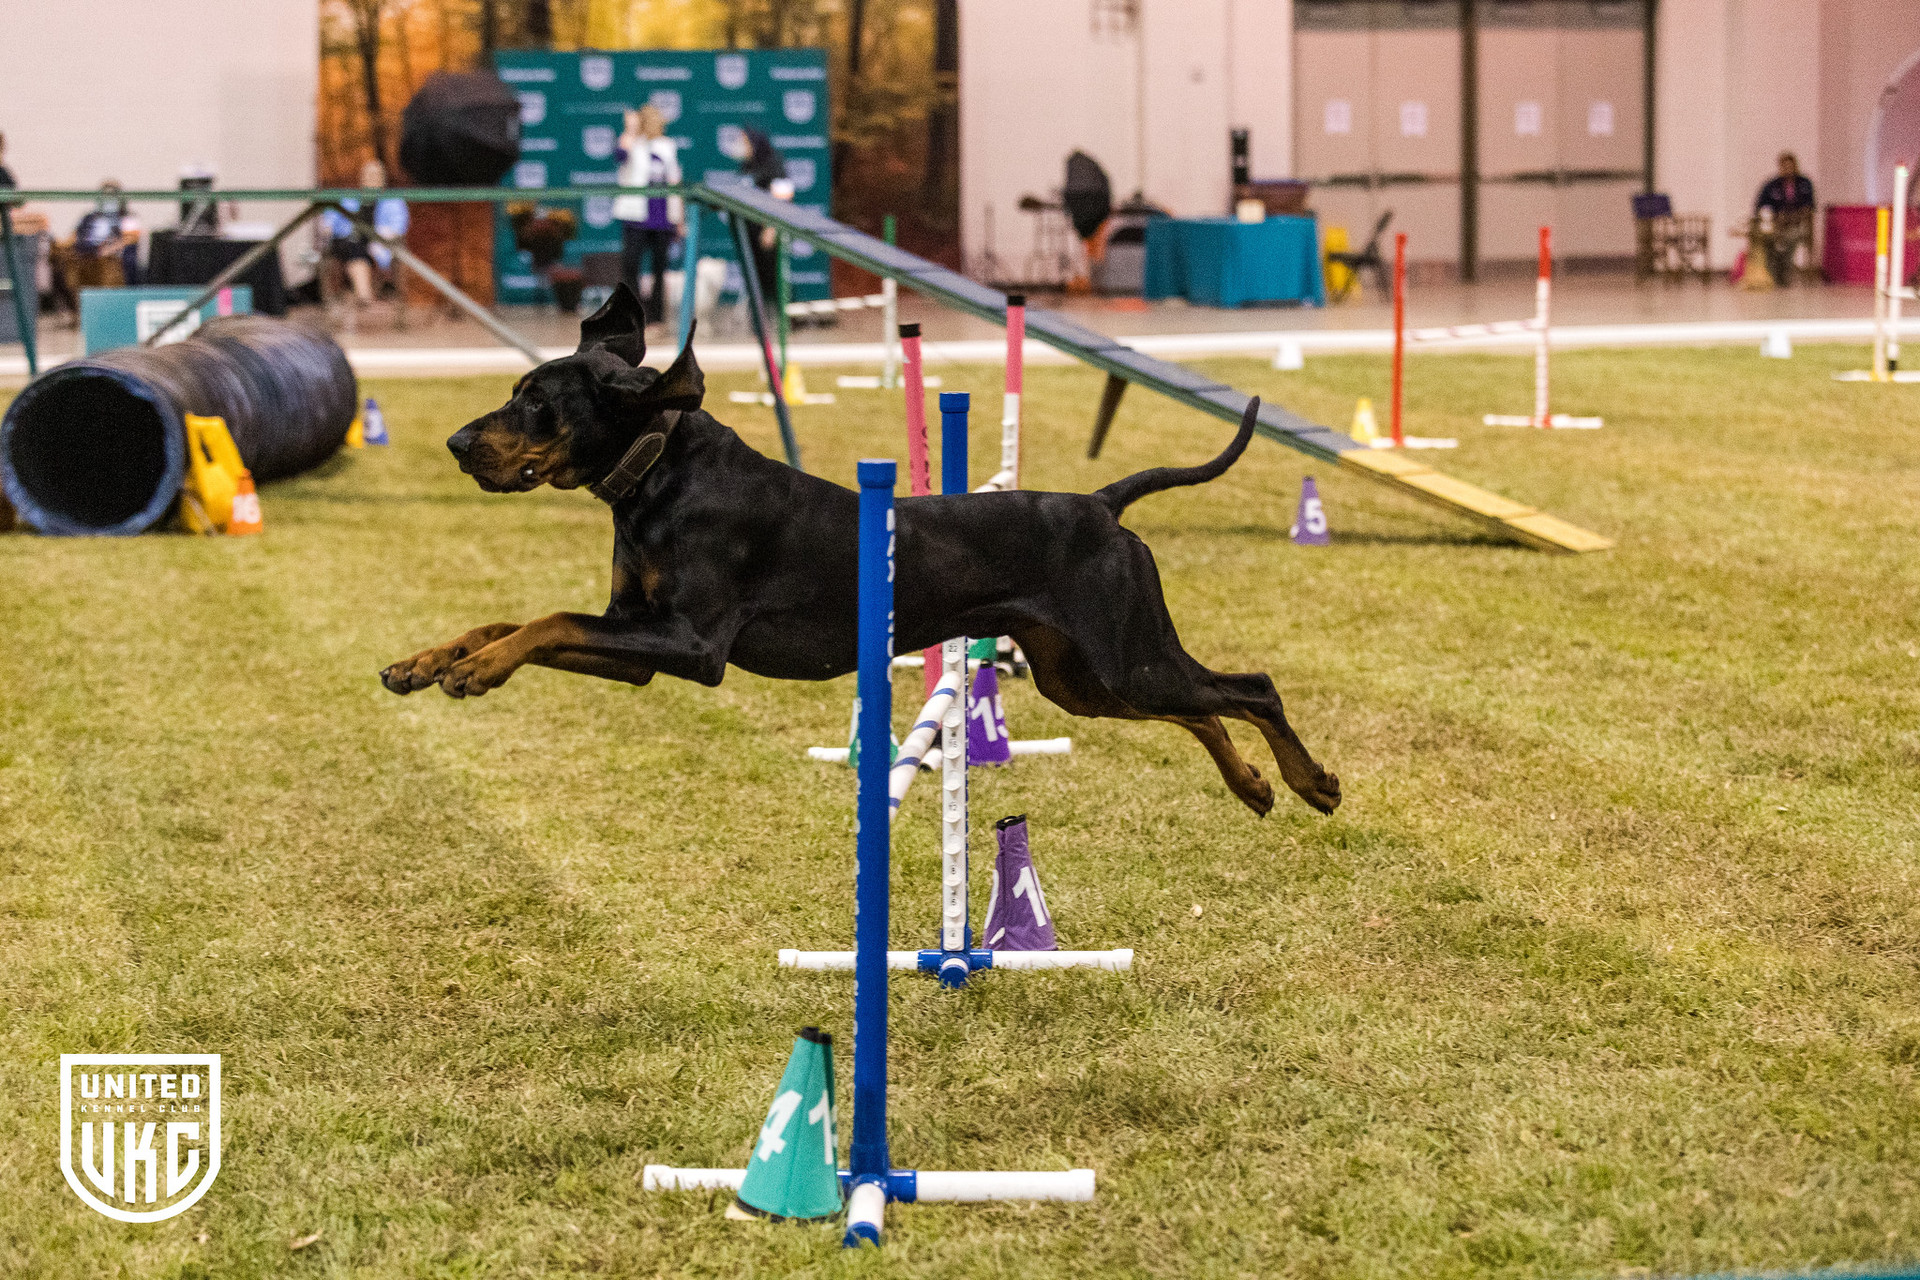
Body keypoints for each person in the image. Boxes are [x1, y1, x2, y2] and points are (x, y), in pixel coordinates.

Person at [613, 104, 681, 324]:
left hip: (662, 217)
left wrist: (679, 218)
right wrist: (631, 131)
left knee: (659, 270)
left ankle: (656, 317)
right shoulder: (632, 143)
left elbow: (674, 182)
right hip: (636, 216)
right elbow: (619, 155)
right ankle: (636, 312)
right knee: (631, 265)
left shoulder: (668, 146)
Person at [321, 158, 409, 311]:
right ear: (361, 178)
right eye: (368, 175)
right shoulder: (349, 199)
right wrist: (327, 226)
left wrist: (383, 236)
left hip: (378, 244)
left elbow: (399, 227)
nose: (371, 179)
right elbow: (329, 221)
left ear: (383, 178)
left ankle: (363, 295)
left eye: (376, 175)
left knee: (360, 247)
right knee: (354, 245)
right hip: (346, 243)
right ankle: (364, 295)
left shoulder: (393, 201)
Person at [731, 127, 787, 305]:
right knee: (755, 280)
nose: (739, 145)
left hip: (768, 231)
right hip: (749, 233)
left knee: (774, 277)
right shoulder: (747, 166)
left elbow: (783, 197)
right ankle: (760, 324)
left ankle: (787, 321)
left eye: (744, 141)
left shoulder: (773, 163)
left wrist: (771, 228)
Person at [1754, 151, 1816, 286]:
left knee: (1790, 239)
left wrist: (1794, 217)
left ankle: (1785, 273)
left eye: (1791, 166)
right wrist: (1772, 217)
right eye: (1784, 166)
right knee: (1767, 240)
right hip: (1776, 223)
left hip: (1796, 224)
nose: (1788, 169)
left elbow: (1809, 207)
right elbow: (1760, 205)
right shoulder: (1772, 185)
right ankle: (1772, 274)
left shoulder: (1804, 184)